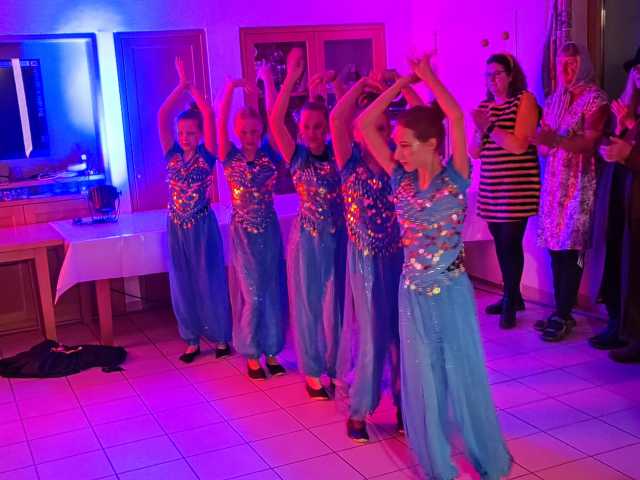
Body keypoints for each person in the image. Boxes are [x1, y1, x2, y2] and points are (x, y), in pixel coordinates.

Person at [356, 53, 511, 480]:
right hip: (411, 294)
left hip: (452, 291)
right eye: (397, 144)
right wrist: (400, 83)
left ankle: (484, 457)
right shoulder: (399, 180)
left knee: (462, 373)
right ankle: (437, 465)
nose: (397, 151)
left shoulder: (456, 177)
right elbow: (365, 125)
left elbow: (455, 116)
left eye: (406, 144)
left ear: (431, 145)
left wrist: (427, 78)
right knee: (422, 379)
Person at [269, 48, 347, 399]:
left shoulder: (338, 154)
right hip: (307, 240)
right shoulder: (297, 156)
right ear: (300, 130)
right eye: (307, 127)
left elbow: (347, 120)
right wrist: (290, 79)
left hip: (338, 237)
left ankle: (334, 365)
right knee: (309, 305)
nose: (313, 132)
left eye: (318, 126)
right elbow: (275, 121)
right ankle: (313, 371)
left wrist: (337, 86)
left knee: (336, 305)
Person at [330, 77, 404, 442]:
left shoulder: (397, 163)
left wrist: (405, 84)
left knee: (402, 335)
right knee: (372, 335)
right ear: (359, 132)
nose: (377, 132)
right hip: (363, 262)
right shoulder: (349, 163)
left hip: (398, 257)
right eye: (370, 126)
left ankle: (407, 406)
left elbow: (430, 116)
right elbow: (336, 119)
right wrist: (361, 83)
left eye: (384, 126)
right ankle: (359, 408)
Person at [531, 42, 609, 342]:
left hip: (579, 183)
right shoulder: (555, 99)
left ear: (584, 64)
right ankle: (560, 310)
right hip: (553, 183)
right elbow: (543, 144)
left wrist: (557, 140)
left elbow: (588, 144)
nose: (565, 69)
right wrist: (545, 141)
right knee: (554, 248)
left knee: (571, 248)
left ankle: (563, 314)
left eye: (572, 63)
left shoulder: (595, 98)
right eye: (561, 63)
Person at [157, 57, 232, 362]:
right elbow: (162, 115)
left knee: (209, 278)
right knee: (181, 282)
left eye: (190, 133)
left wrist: (193, 91)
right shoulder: (171, 154)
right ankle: (191, 339)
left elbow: (209, 113)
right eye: (181, 133)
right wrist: (180, 86)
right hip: (176, 225)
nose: (185, 137)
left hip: (202, 225)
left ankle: (221, 337)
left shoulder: (207, 155)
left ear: (200, 134)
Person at [216, 72, 288, 379]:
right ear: (237, 132)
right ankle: (250, 352)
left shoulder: (269, 154)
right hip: (243, 233)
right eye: (244, 131)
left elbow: (275, 116)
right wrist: (230, 89)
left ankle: (272, 350)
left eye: (254, 131)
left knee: (271, 290)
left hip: (268, 230)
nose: (249, 136)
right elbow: (219, 124)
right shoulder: (229, 156)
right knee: (252, 292)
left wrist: (267, 82)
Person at [469, 53, 541, 329]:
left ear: (511, 75)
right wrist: (480, 131)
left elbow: (519, 145)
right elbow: (474, 152)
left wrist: (488, 127)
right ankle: (513, 295)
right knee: (500, 242)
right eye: (488, 75)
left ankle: (510, 300)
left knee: (511, 242)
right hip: (491, 186)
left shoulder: (524, 100)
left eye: (498, 74)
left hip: (517, 186)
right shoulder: (484, 106)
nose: (492, 80)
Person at [597, 61, 640, 363]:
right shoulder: (628, 105)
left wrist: (629, 151)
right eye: (636, 70)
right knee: (622, 267)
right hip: (622, 197)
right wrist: (622, 129)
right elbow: (609, 139)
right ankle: (623, 329)